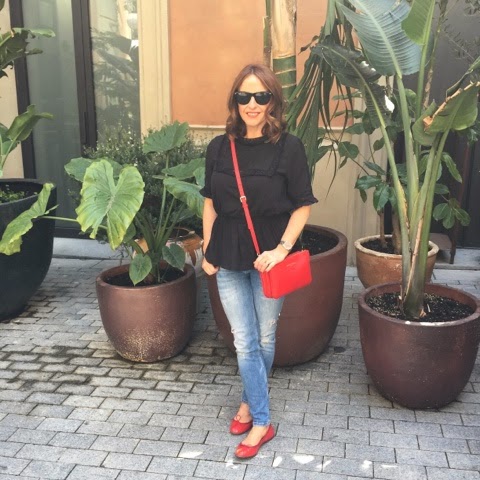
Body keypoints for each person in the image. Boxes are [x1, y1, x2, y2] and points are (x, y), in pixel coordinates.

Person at [200, 63, 317, 459]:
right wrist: (208, 249)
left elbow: (302, 206)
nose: (252, 104)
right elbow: (210, 202)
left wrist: (281, 249)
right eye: (244, 96)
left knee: (265, 338)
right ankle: (263, 422)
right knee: (245, 341)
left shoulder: (289, 147)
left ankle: (250, 404)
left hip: (271, 259)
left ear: (272, 102)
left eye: (261, 96)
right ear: (235, 101)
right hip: (228, 256)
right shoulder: (219, 148)